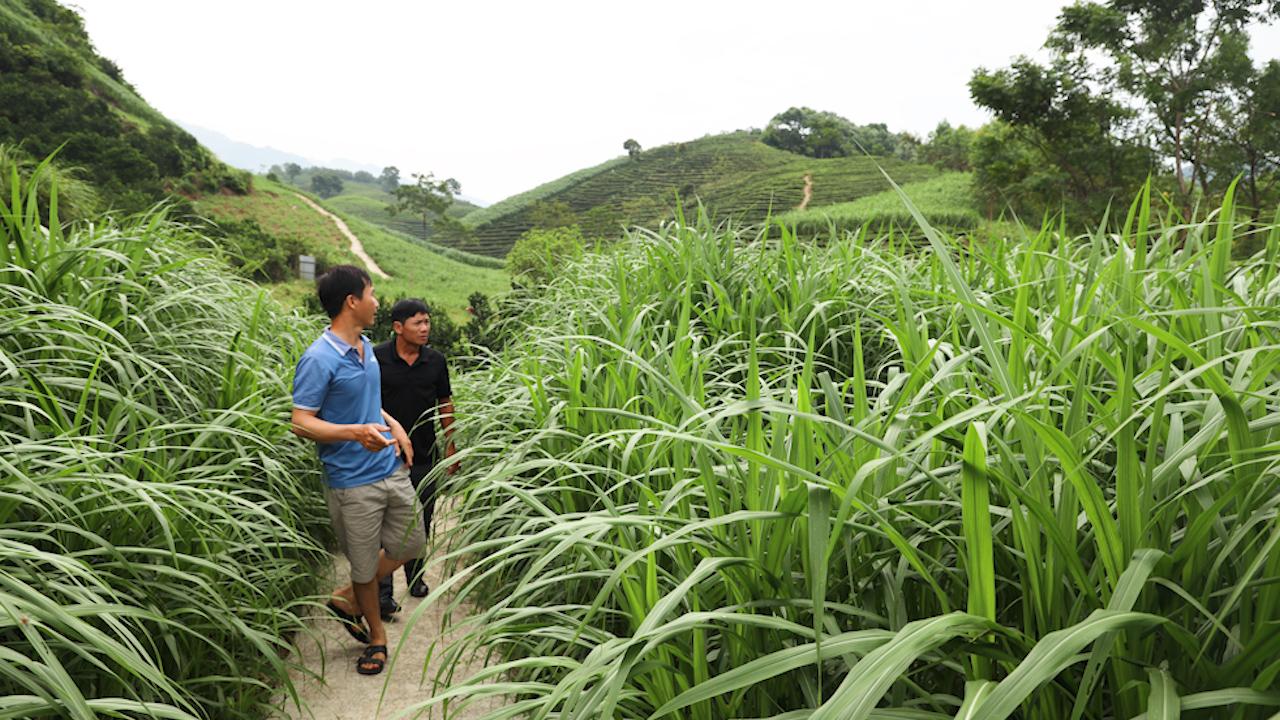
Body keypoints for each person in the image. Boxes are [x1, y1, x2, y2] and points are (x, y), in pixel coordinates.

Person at [290, 265, 426, 676]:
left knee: (412, 541)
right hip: (352, 481)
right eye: (371, 293)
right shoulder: (318, 358)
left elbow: (368, 403)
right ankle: (377, 637)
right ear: (352, 301)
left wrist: (394, 425)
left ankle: (346, 596)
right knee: (366, 565)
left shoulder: (366, 347)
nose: (377, 302)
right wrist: (353, 433)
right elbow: (301, 421)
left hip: (389, 467)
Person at [374, 299, 458, 613]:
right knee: (385, 523)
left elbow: (445, 402)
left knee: (421, 519)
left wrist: (451, 444)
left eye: (427, 322)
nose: (425, 329)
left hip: (424, 454)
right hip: (384, 455)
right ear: (398, 327)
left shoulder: (435, 361)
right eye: (417, 323)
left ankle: (415, 575)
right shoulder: (376, 358)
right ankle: (383, 592)